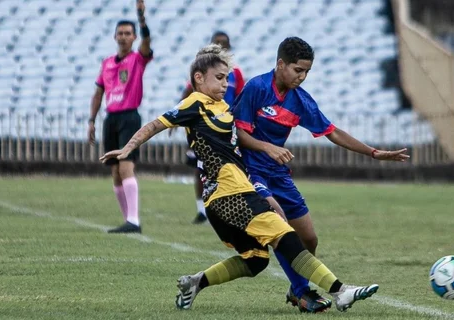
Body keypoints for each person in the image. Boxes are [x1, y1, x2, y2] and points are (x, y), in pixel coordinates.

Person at [100, 44, 380, 313]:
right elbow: (155, 124)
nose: (225, 85)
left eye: (227, 79)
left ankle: (195, 282)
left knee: (256, 260)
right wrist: (128, 147)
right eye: (219, 78)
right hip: (229, 193)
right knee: (285, 235)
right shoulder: (195, 103)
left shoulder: (223, 107)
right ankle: (340, 291)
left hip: (229, 194)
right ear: (199, 79)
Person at [231, 37, 409, 312]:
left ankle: (296, 289)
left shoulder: (299, 100)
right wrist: (267, 147)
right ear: (280, 64)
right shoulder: (256, 87)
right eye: (298, 70)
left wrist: (374, 152)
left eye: (307, 72)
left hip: (279, 175)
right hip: (252, 172)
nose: (302, 77)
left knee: (309, 239)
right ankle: (304, 293)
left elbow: (333, 132)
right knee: (281, 230)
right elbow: (239, 134)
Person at [88, 0, 153, 233]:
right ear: (115, 36)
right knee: (115, 171)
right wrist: (91, 121)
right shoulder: (106, 63)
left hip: (129, 117)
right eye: (121, 33)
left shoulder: (138, 59)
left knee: (126, 166)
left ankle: (133, 221)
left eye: (128, 33)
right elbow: (98, 93)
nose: (124, 36)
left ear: (134, 37)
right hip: (111, 119)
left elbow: (148, 42)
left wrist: (141, 17)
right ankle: (128, 220)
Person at [174, 31, 245, 224]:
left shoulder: (236, 74)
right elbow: (188, 92)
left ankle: (227, 208)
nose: (221, 47)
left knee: (230, 168)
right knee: (200, 167)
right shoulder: (204, 71)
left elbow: (241, 99)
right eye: (217, 43)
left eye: (224, 44)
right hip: (203, 125)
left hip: (225, 127)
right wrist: (177, 117)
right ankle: (201, 211)